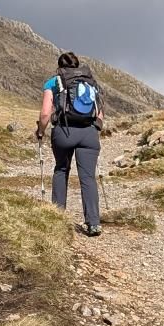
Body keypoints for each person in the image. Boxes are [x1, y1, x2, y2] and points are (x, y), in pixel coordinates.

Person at [36, 50, 103, 235]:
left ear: (59, 67)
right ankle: (93, 222)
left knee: (61, 170)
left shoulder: (53, 82)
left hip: (64, 132)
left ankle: (58, 217)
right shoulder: (90, 82)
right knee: (88, 177)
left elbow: (45, 114)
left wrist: (40, 132)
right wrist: (94, 130)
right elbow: (100, 113)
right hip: (89, 132)